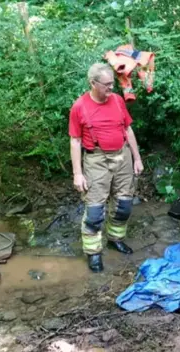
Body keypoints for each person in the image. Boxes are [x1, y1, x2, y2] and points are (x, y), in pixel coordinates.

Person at [69, 63, 144, 272]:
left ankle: (115, 239)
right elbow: (75, 141)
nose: (111, 88)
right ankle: (93, 253)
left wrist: (137, 158)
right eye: (107, 84)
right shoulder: (79, 107)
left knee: (124, 205)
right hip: (96, 161)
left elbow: (127, 130)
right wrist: (77, 173)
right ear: (93, 83)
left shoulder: (118, 101)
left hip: (123, 156)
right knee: (94, 212)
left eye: (113, 83)